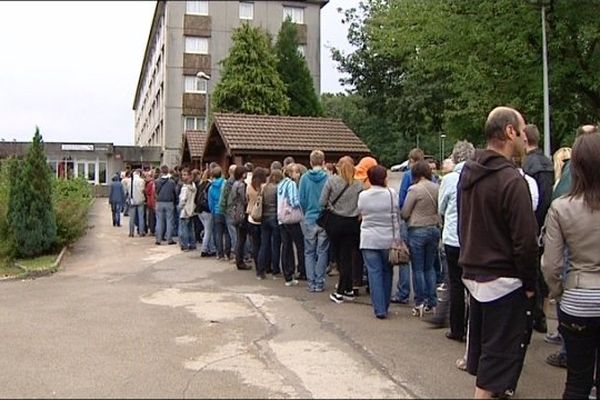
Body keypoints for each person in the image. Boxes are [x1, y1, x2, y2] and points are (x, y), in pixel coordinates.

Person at [458, 106, 538, 399]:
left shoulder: (469, 172)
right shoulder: (511, 180)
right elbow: (526, 241)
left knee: (487, 364)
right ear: (509, 132)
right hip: (505, 281)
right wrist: (530, 285)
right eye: (523, 128)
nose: (525, 134)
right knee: (495, 371)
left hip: (475, 275)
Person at [542, 131, 600, 400]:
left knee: (577, 381)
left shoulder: (561, 208)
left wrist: (558, 293)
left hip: (578, 299)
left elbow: (551, 265)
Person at [438, 140, 475, 341]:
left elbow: (441, 208)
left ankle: (457, 328)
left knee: (455, 284)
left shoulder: (450, 179)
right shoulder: (479, 176)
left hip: (453, 237)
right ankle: (473, 327)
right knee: (474, 285)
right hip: (473, 239)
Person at [523, 124, 554, 334]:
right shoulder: (548, 163)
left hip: (531, 223)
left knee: (530, 270)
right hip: (547, 223)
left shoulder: (527, 165)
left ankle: (532, 314)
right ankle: (541, 314)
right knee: (542, 271)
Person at [401, 160, 440, 317]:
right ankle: (433, 302)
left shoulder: (414, 190)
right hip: (434, 229)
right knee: (429, 267)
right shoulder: (437, 188)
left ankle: (420, 302)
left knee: (418, 268)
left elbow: (405, 212)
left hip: (417, 230)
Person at [321, 158, 363, 304]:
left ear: (339, 167)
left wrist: (333, 209)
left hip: (335, 221)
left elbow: (322, 201)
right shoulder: (358, 185)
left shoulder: (332, 181)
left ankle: (340, 292)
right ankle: (349, 289)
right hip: (352, 223)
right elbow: (361, 205)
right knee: (349, 255)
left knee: (339, 257)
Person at [357, 165, 397, 319]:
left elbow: (361, 211)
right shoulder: (391, 194)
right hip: (388, 238)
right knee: (388, 272)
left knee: (374, 273)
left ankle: (379, 308)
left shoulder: (363, 196)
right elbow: (396, 216)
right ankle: (385, 305)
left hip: (369, 238)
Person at [299, 150, 330, 292]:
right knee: (322, 251)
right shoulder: (328, 178)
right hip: (323, 219)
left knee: (309, 252)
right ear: (323, 162)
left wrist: (306, 213)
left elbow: (302, 200)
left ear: (310, 162)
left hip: (309, 217)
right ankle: (319, 281)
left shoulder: (304, 178)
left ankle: (311, 282)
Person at [278, 163, 305, 286]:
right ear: (291, 173)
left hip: (282, 218)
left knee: (286, 245)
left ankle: (287, 274)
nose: (298, 174)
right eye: (296, 172)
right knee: (300, 245)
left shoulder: (281, 184)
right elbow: (294, 201)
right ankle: (301, 270)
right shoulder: (292, 184)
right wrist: (301, 207)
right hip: (292, 218)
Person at [257, 169, 283, 279]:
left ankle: (261, 270)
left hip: (264, 217)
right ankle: (275, 269)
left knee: (264, 244)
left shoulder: (264, 187)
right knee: (275, 245)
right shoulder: (278, 188)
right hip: (275, 217)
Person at [228, 165, 252, 270]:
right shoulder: (241, 185)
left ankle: (239, 260)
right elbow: (243, 200)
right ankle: (240, 261)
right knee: (241, 238)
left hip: (235, 212)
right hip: (241, 212)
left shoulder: (234, 184)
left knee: (239, 238)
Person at [247, 167, 268, 276]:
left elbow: (247, 200)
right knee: (263, 245)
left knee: (255, 244)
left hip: (251, 217)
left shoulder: (249, 187)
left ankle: (257, 268)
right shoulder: (264, 188)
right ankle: (262, 268)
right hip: (262, 218)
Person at [209, 166, 230, 261]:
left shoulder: (211, 187)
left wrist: (213, 211)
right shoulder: (225, 184)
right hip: (225, 211)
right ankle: (228, 253)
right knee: (227, 233)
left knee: (218, 233)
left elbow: (210, 202)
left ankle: (219, 253)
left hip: (216, 212)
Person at [154, 165, 177, 245]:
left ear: (161, 171)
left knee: (159, 221)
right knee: (169, 221)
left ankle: (158, 239)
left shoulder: (156, 181)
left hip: (159, 202)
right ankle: (169, 239)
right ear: (168, 171)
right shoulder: (172, 182)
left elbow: (155, 192)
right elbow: (175, 193)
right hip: (169, 202)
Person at [220, 164, 238, 263]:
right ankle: (244, 254)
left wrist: (222, 209)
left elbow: (224, 197)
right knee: (238, 233)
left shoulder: (227, 183)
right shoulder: (240, 182)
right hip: (238, 210)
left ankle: (235, 255)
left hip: (229, 210)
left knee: (232, 233)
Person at [197, 169, 216, 257]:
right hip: (207, 210)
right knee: (208, 231)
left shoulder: (201, 184)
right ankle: (204, 249)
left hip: (199, 210)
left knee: (208, 229)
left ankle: (212, 248)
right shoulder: (211, 185)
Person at [178, 168, 197, 251]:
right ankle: (192, 244)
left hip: (185, 210)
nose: (183, 176)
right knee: (190, 228)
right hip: (192, 209)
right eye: (182, 174)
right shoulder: (194, 186)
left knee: (184, 229)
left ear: (189, 175)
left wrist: (180, 207)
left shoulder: (185, 188)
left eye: (185, 174)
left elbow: (183, 199)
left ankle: (184, 245)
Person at [128, 169, 146, 238]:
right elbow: (143, 190)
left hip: (132, 200)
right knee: (141, 217)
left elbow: (127, 191)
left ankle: (131, 232)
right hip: (140, 200)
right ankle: (141, 232)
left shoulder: (129, 181)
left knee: (131, 217)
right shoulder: (142, 181)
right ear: (139, 174)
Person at [144, 170, 156, 236]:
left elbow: (147, 192)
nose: (146, 178)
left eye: (147, 176)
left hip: (151, 202)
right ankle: (152, 230)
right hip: (152, 202)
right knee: (152, 217)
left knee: (151, 217)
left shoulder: (150, 184)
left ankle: (152, 230)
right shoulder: (153, 183)